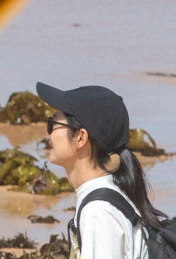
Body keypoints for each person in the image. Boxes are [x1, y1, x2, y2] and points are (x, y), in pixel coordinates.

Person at [36, 82, 164, 259]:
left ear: (80, 138)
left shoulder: (99, 212)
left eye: (53, 123)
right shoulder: (102, 198)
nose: (48, 134)